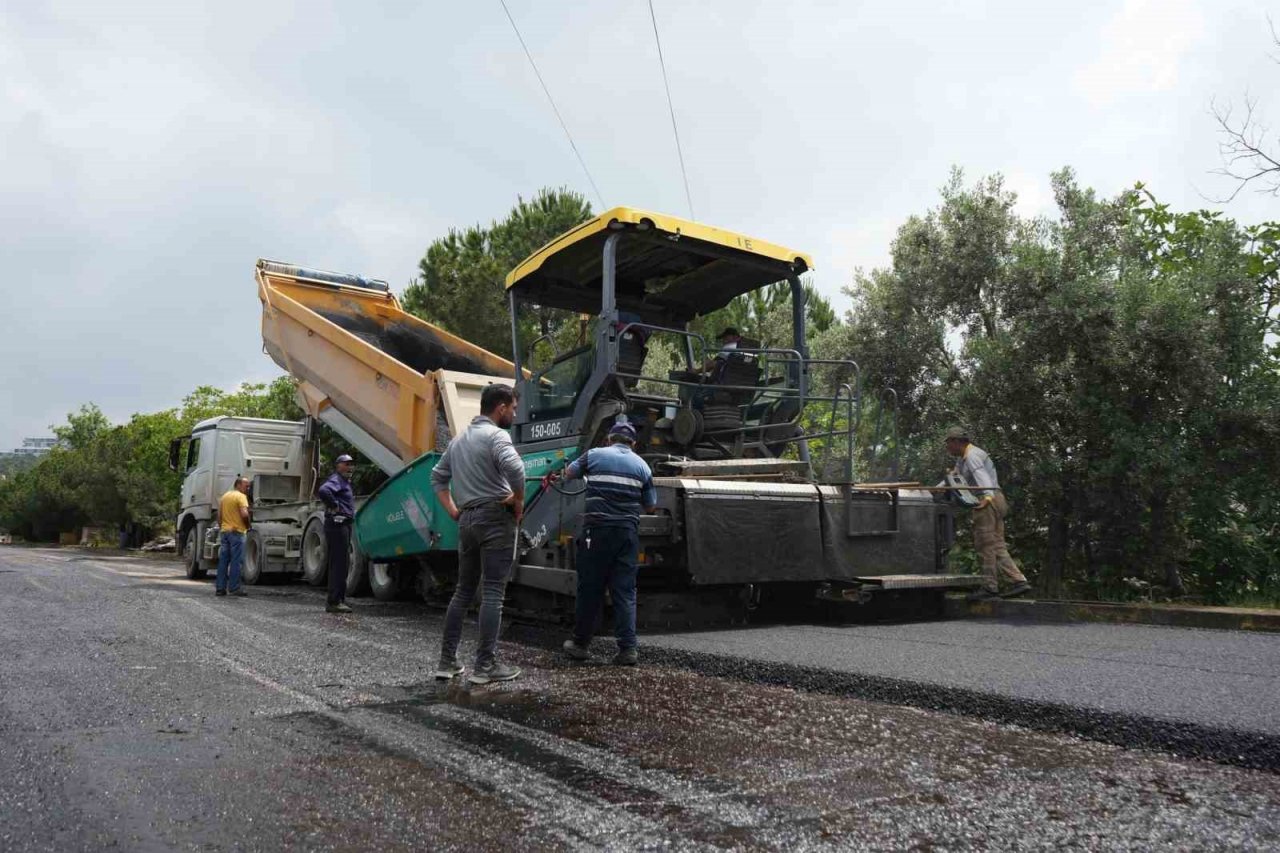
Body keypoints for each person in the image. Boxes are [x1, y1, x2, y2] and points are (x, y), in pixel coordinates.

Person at [432, 384, 526, 685]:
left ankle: (447, 662)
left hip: (467, 520)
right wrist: (518, 499)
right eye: (512, 408)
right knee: (494, 593)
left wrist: (454, 511)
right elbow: (516, 469)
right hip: (494, 518)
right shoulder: (497, 435)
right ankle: (485, 666)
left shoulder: (458, 442)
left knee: (463, 591)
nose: (514, 413)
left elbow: (437, 478)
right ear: (500, 407)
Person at [552, 420, 657, 666]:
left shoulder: (593, 455)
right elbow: (651, 505)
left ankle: (580, 645)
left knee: (590, 588)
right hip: (626, 534)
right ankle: (628, 650)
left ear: (609, 439)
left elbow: (567, 475)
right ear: (634, 444)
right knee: (625, 591)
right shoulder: (643, 466)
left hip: (596, 533)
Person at [944, 426, 1031, 601]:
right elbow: (953, 479)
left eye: (948, 443)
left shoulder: (971, 456)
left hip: (988, 500)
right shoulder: (963, 459)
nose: (947, 447)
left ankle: (990, 588)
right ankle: (1018, 580)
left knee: (985, 545)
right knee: (996, 544)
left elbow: (983, 477)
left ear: (956, 441)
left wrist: (987, 497)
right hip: (997, 498)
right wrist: (931, 493)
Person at [317, 453, 357, 614]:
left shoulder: (344, 482)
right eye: (346, 464)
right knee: (339, 563)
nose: (350, 467)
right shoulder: (337, 480)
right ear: (338, 466)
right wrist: (335, 505)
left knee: (343, 563)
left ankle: (339, 599)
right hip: (337, 524)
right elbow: (324, 490)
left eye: (351, 464)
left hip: (343, 524)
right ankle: (334, 601)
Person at [215, 477, 251, 598]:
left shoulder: (225, 496)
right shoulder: (241, 496)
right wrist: (248, 526)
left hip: (225, 532)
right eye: (246, 486)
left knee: (223, 561)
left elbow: (219, 516)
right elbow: (245, 514)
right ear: (239, 485)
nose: (248, 488)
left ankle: (220, 589)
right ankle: (234, 588)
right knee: (236, 561)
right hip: (237, 532)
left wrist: (222, 528)